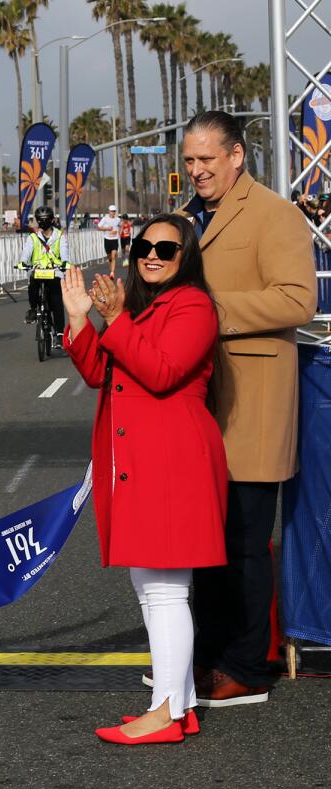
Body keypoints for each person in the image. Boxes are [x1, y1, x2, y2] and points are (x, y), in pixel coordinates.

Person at [63, 213, 227, 745]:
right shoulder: (142, 306)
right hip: (144, 458)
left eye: (166, 248)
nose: (151, 255)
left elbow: (160, 371)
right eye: (143, 246)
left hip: (173, 457)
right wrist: (81, 319)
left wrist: (115, 322)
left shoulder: (195, 305)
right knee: (151, 586)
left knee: (165, 589)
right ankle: (180, 702)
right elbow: (98, 373)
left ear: (187, 257)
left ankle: (167, 710)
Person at [177, 111, 318, 707]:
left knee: (244, 542)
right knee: (201, 542)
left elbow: (298, 299)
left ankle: (245, 668)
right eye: (189, 160)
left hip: (253, 405)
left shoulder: (275, 214)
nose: (197, 170)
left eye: (207, 159)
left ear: (238, 156)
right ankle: (205, 658)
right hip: (195, 404)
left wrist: (210, 309)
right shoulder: (184, 218)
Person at [19, 205, 69, 346]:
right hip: (38, 271)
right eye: (40, 220)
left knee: (56, 301)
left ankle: (60, 334)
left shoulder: (59, 236)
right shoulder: (33, 238)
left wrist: (65, 263)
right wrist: (23, 262)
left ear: (52, 220)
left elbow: (64, 253)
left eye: (46, 219)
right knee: (32, 284)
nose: (43, 222)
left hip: (55, 272)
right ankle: (33, 309)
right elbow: (26, 252)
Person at [98, 204, 121, 275]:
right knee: (110, 256)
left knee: (113, 256)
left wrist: (119, 231)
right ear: (109, 211)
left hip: (115, 239)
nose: (113, 212)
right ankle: (110, 262)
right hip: (107, 239)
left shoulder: (118, 219)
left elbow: (120, 225)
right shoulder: (105, 219)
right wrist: (107, 228)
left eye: (114, 211)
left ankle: (112, 272)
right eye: (112, 211)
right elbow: (98, 227)